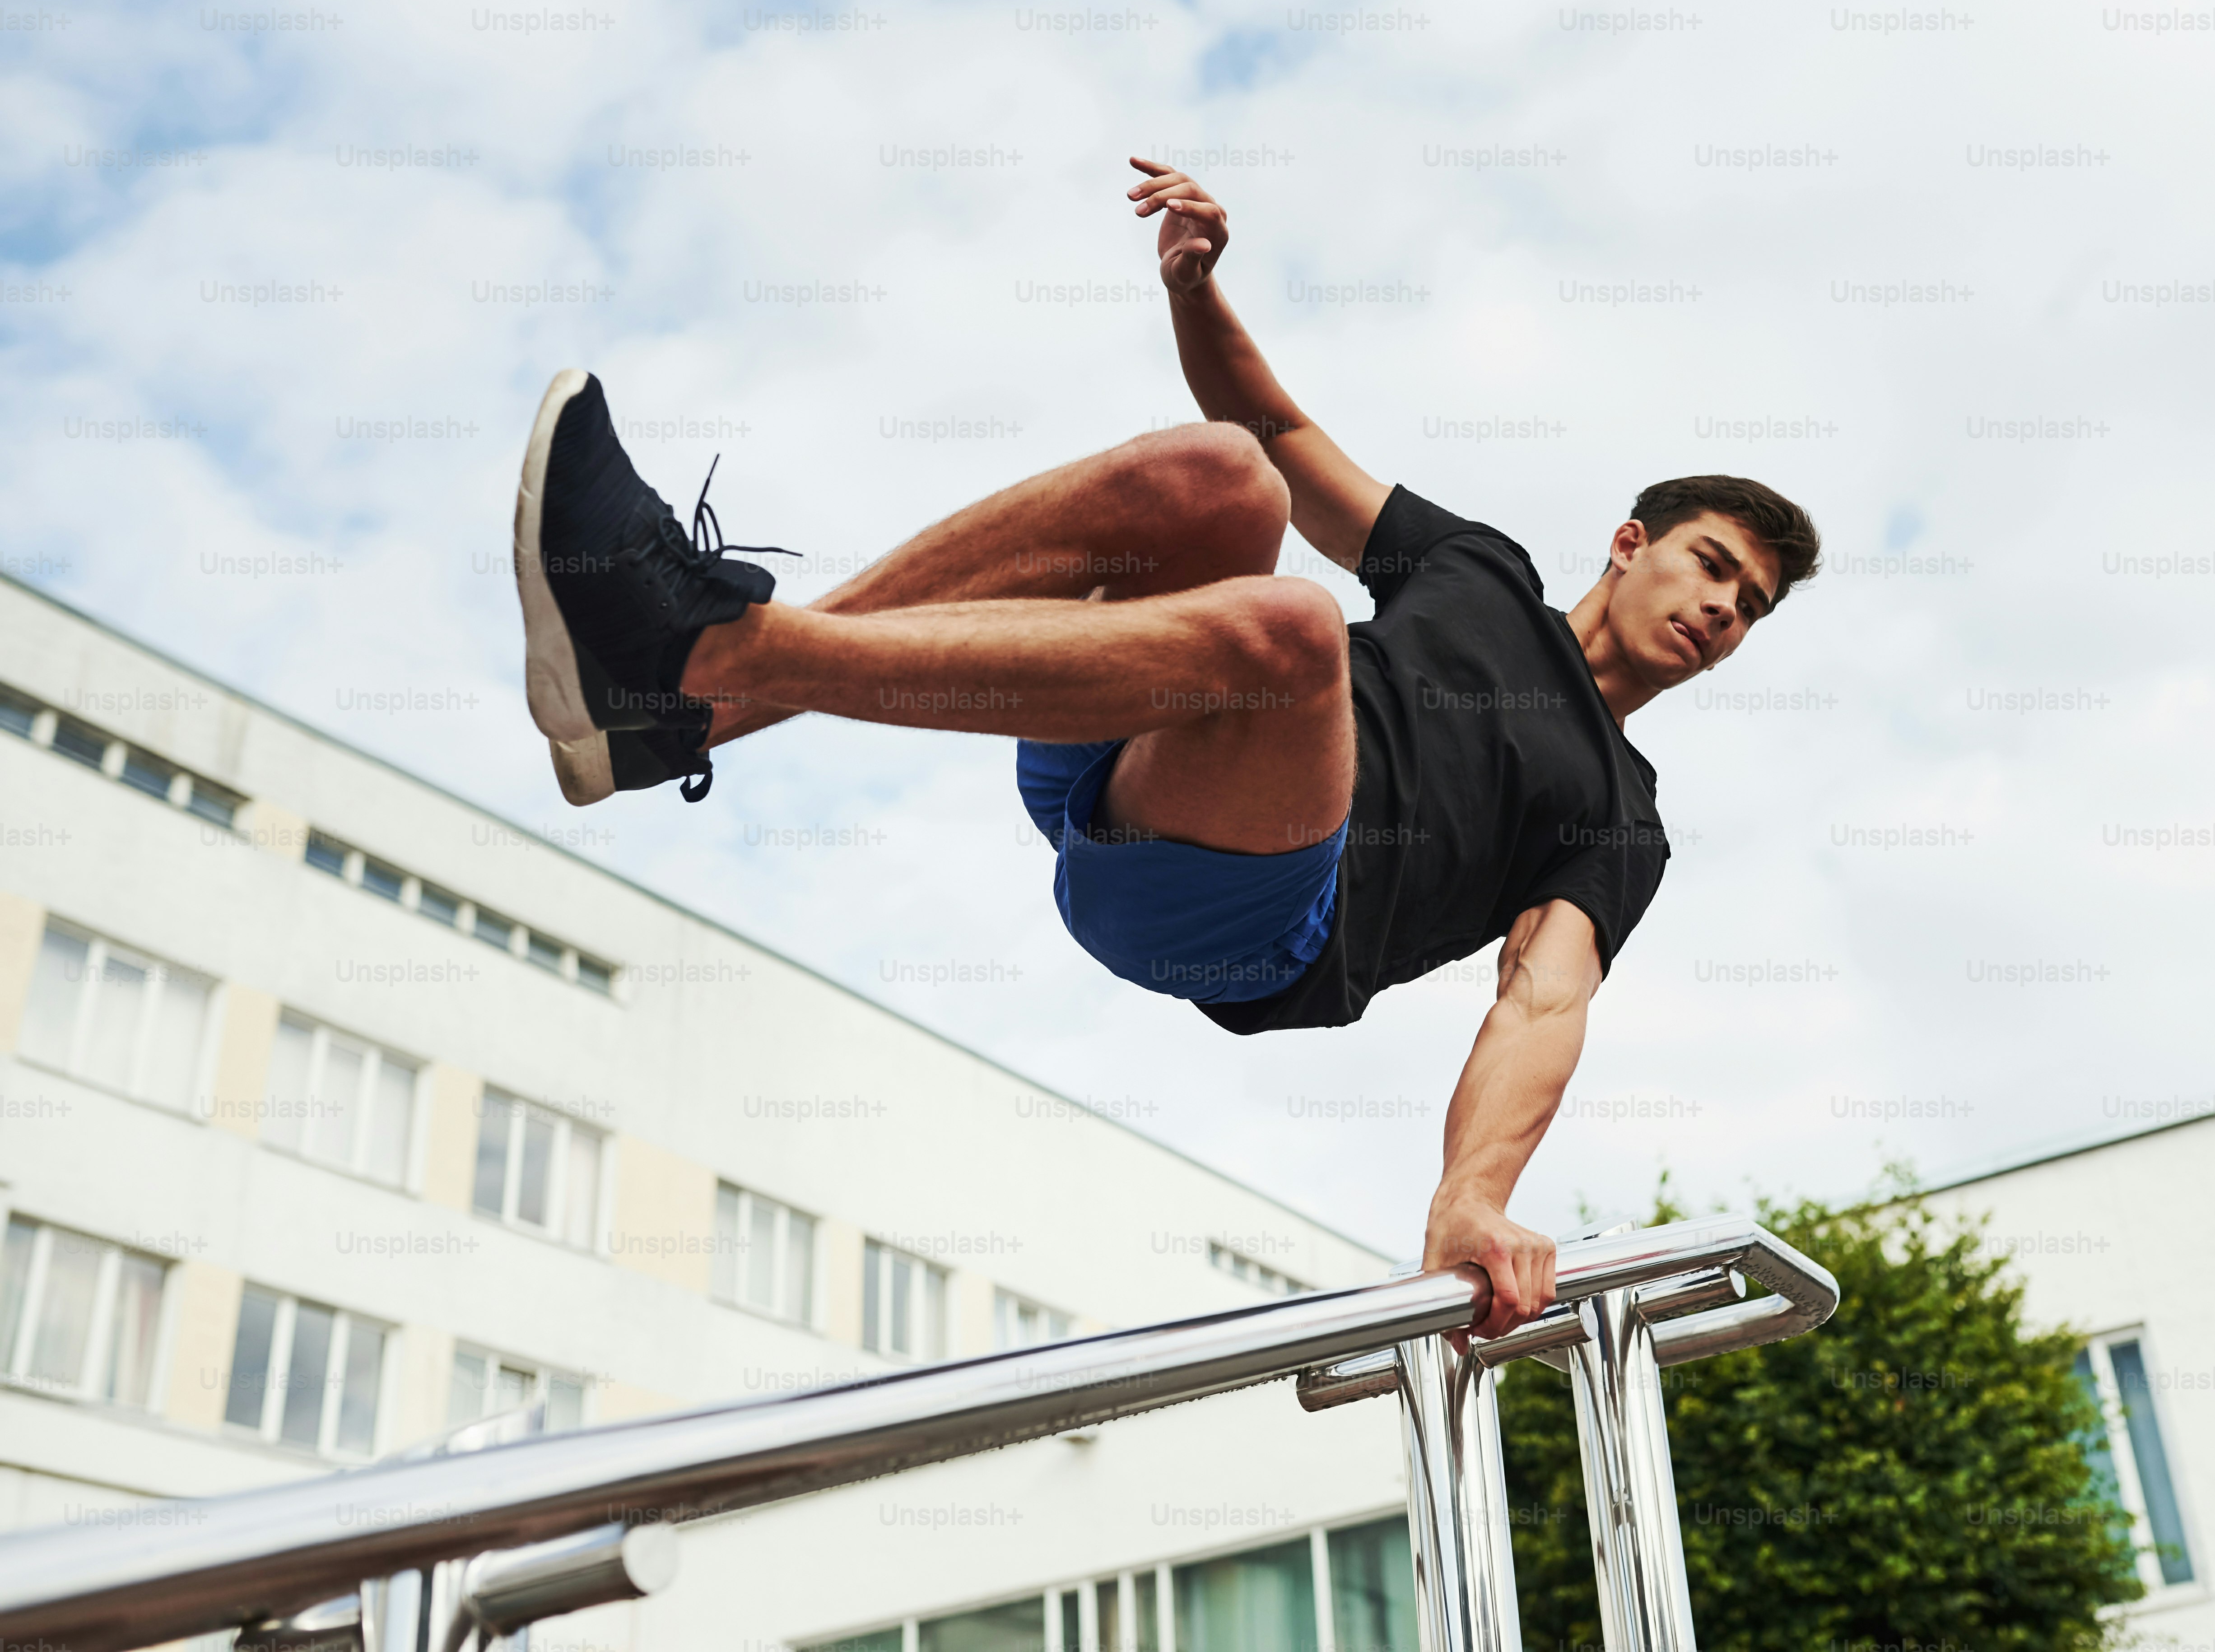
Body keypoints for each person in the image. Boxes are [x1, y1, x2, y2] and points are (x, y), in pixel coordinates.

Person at [509, 158, 1819, 1339]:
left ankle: (708, 649)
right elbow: (1280, 428)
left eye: (1750, 608)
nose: (1722, 610)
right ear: (1631, 543)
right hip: (1118, 747)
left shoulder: (1618, 817)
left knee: (1295, 632)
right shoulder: (1480, 569)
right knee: (1222, 477)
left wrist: (1469, 1201)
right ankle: (677, 710)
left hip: (1249, 913)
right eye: (1714, 567)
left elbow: (1543, 1000)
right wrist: (1197, 287)